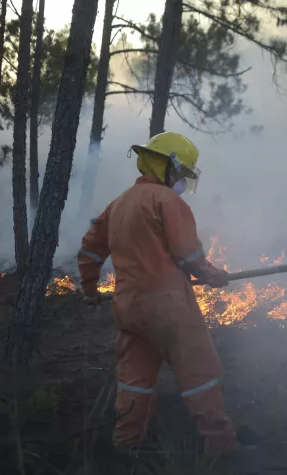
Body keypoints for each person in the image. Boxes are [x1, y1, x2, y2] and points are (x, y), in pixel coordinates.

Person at [77, 132, 240, 456]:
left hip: (129, 308)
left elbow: (91, 250)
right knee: (202, 373)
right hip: (168, 308)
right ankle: (222, 448)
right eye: (180, 173)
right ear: (164, 165)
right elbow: (187, 253)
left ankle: (126, 449)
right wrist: (211, 275)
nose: (181, 182)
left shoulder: (118, 204)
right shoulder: (168, 202)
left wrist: (91, 288)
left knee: (134, 381)